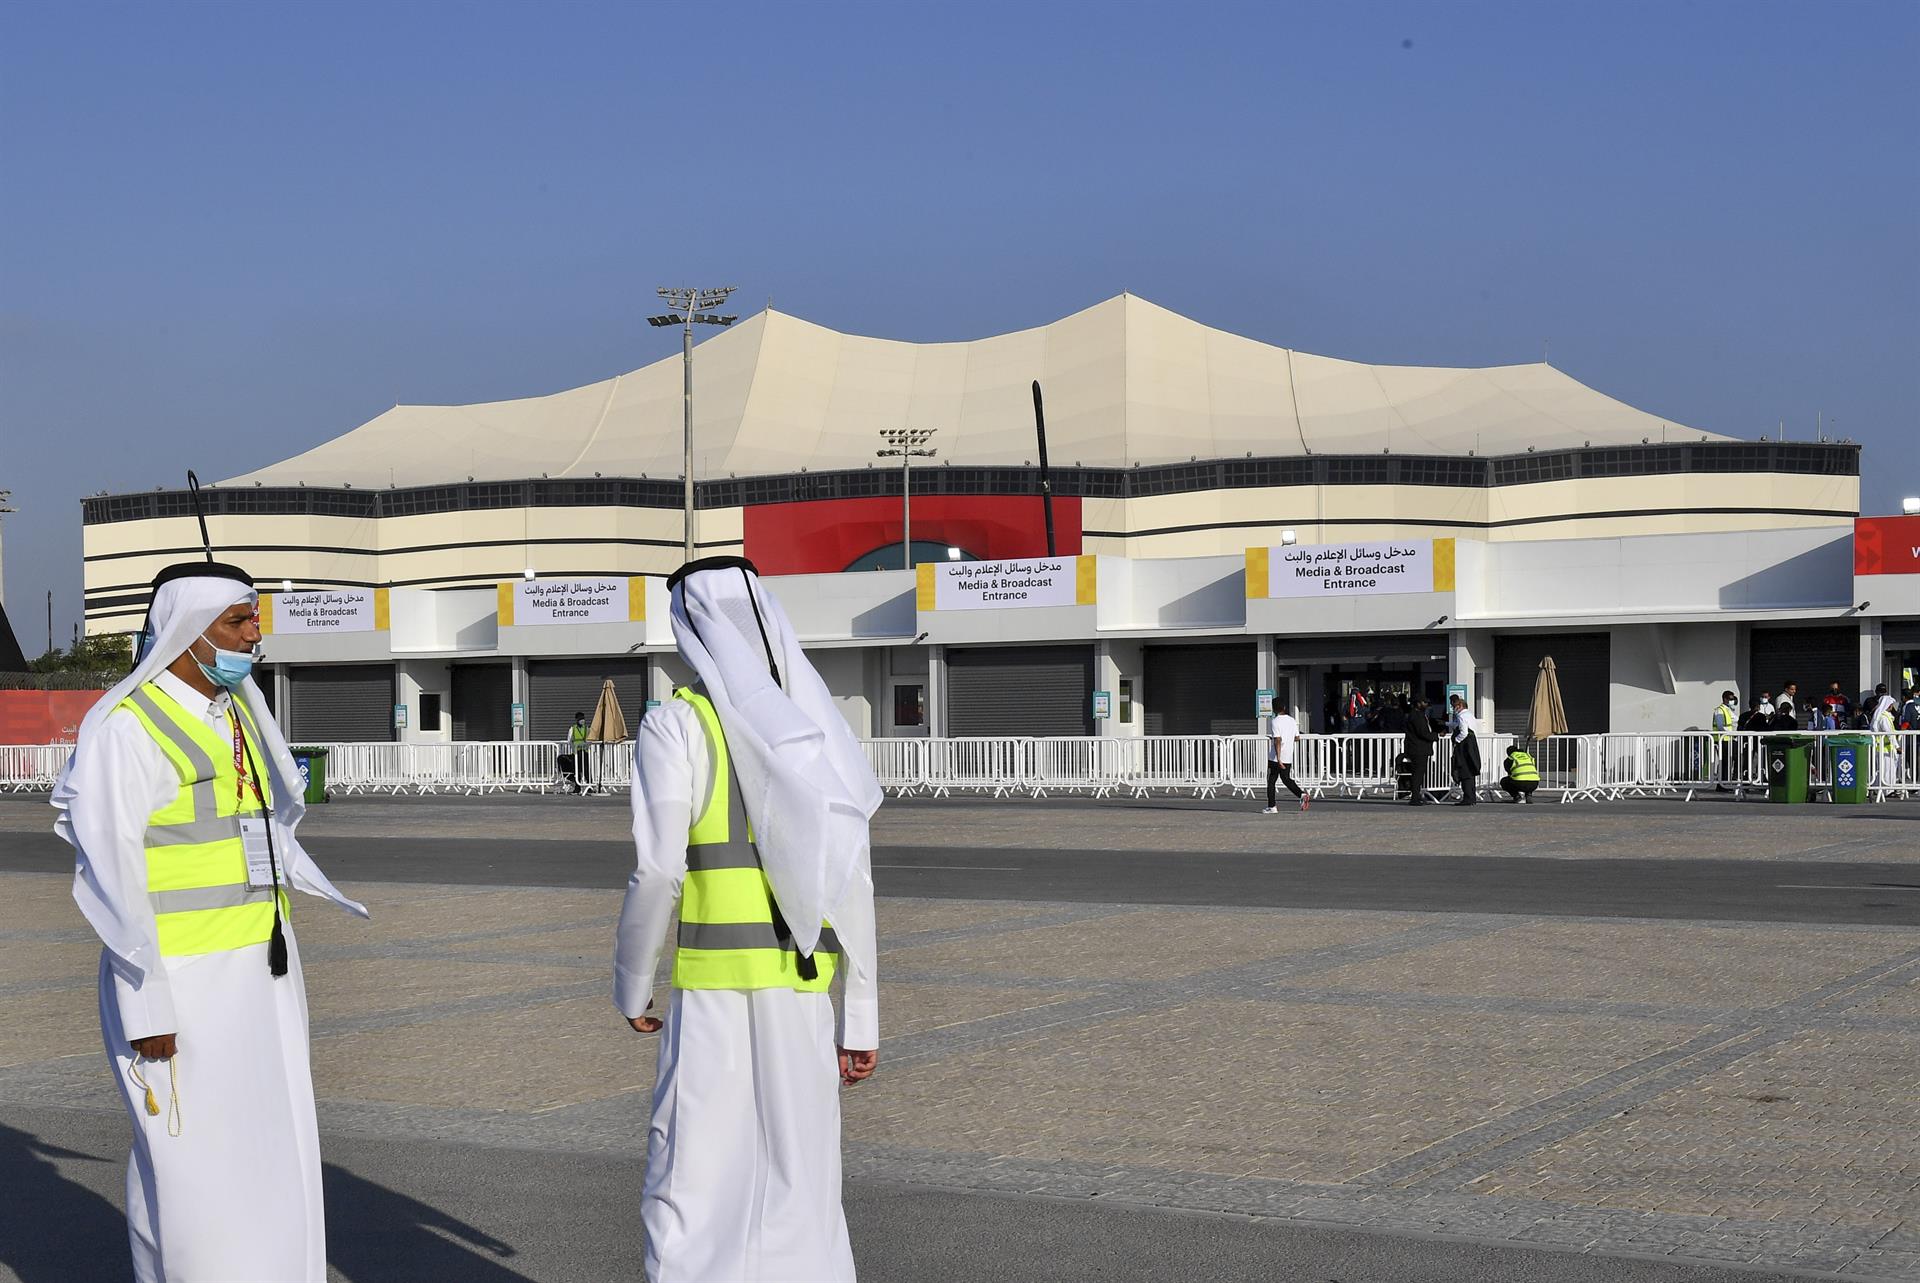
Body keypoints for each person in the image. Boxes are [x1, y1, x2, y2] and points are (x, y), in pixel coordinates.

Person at [51, 561, 367, 1283]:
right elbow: (112, 876)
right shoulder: (128, 731)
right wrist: (146, 1002)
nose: (255, 634)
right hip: (181, 988)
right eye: (238, 620)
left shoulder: (237, 714)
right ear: (190, 632)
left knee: (272, 1153)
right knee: (195, 1176)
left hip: (262, 974)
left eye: (255, 618)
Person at [615, 556, 880, 1283]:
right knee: (803, 1197)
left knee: (691, 1189)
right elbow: (853, 878)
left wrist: (633, 984)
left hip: (712, 1001)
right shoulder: (817, 733)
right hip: (802, 998)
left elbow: (660, 870)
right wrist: (861, 1017)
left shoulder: (676, 726)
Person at [1263, 708, 1308, 813]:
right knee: (1286, 778)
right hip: (1288, 755)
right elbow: (1297, 737)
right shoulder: (1292, 720)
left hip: (1276, 757)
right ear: (1284, 708)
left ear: (1274, 709)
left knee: (1271, 780)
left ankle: (1272, 806)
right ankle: (1301, 794)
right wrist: (1288, 737)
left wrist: (1278, 758)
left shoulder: (1275, 721)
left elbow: (1277, 740)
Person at [1402, 697, 1438, 805]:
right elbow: (1422, 732)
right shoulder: (1416, 716)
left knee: (1419, 773)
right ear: (1418, 704)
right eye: (1424, 702)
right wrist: (1436, 736)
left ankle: (1417, 796)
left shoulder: (1418, 715)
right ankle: (1415, 798)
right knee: (1417, 774)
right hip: (1418, 749)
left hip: (1418, 748)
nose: (1426, 704)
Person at [1448, 694, 1480, 805]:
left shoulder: (1461, 716)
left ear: (1460, 705)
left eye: (1454, 706)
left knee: (1464, 770)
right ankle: (1472, 798)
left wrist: (1456, 740)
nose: (1453, 708)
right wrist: (1447, 723)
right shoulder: (1470, 715)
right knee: (1471, 771)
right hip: (1472, 745)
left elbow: (1464, 732)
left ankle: (1467, 798)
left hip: (1464, 747)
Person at [1868, 683, 1900, 790]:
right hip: (1885, 748)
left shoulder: (1883, 716)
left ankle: (1883, 788)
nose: (1892, 706)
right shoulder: (1884, 718)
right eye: (1890, 704)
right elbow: (1889, 734)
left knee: (1884, 769)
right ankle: (1887, 790)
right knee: (1886, 769)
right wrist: (1897, 746)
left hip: (1883, 747)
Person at [1711, 689, 1739, 790]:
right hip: (1721, 739)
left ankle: (1725, 783)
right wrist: (1726, 733)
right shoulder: (1720, 710)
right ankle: (1721, 784)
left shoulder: (1728, 709)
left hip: (1728, 739)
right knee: (1724, 762)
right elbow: (1719, 725)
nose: (1732, 701)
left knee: (1727, 761)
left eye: (1733, 699)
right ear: (1725, 699)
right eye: (1730, 699)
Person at [564, 710, 593, 793]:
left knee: (587, 770)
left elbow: (590, 740)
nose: (582, 720)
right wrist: (574, 748)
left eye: (583, 719)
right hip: (576, 753)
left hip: (585, 752)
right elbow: (569, 740)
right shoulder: (572, 729)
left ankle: (589, 787)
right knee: (576, 770)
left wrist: (586, 745)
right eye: (580, 719)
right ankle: (577, 787)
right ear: (577, 720)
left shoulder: (587, 729)